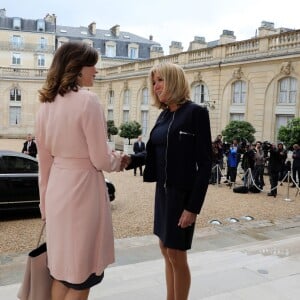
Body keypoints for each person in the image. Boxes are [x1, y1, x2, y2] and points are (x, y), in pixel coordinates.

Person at [35, 42, 125, 300]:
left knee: (62, 273)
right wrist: (118, 160)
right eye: (92, 65)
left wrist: (45, 206)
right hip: (82, 194)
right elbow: (100, 159)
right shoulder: (87, 101)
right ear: (76, 67)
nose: (96, 70)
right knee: (82, 277)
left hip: (57, 194)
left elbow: (44, 164)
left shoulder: (45, 106)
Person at [125, 62, 212, 300]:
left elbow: (205, 164)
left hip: (182, 195)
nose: (156, 87)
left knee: (177, 253)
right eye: (153, 82)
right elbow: (152, 152)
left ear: (174, 80)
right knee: (165, 250)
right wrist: (128, 160)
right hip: (163, 194)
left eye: (160, 80)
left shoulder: (196, 113)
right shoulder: (164, 115)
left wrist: (192, 208)